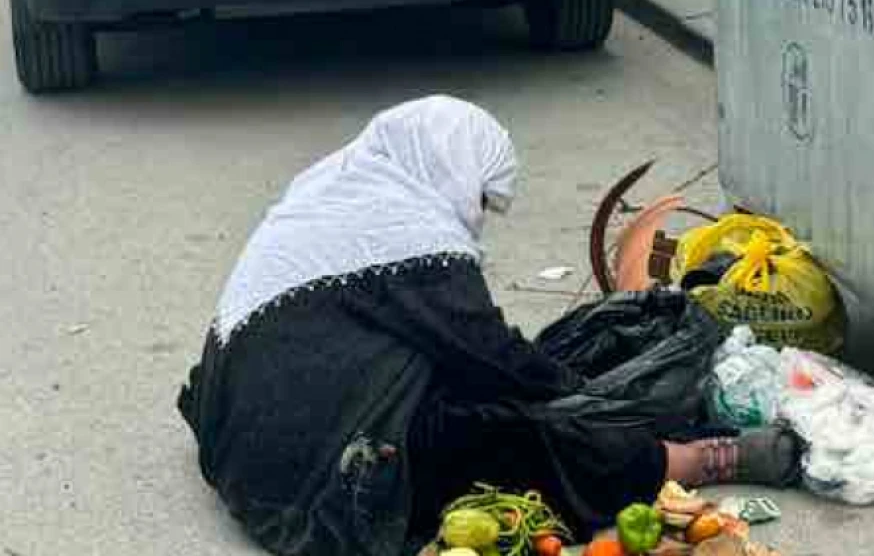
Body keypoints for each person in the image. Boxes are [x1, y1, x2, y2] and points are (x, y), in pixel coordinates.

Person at [178, 96, 799, 556]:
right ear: (450, 168)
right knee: (516, 432)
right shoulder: (407, 241)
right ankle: (692, 460)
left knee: (486, 392)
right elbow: (495, 359)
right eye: (481, 201)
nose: (477, 222)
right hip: (317, 477)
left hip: (242, 446)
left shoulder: (339, 196)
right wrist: (585, 398)